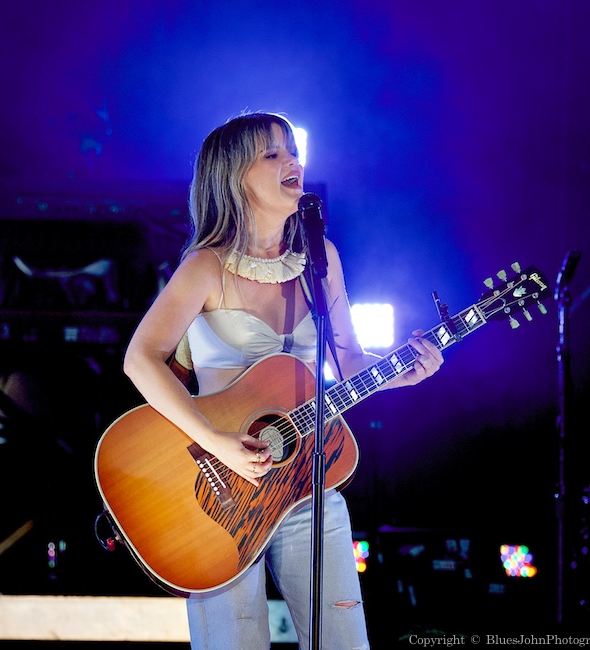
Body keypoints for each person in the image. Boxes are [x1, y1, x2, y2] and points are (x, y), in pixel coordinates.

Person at [122, 111, 444, 649]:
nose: (293, 161)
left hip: (306, 486)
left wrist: (403, 373)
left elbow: (348, 366)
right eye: (273, 153)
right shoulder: (206, 267)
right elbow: (140, 359)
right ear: (234, 177)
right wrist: (217, 442)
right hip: (220, 494)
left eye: (292, 150)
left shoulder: (322, 261)